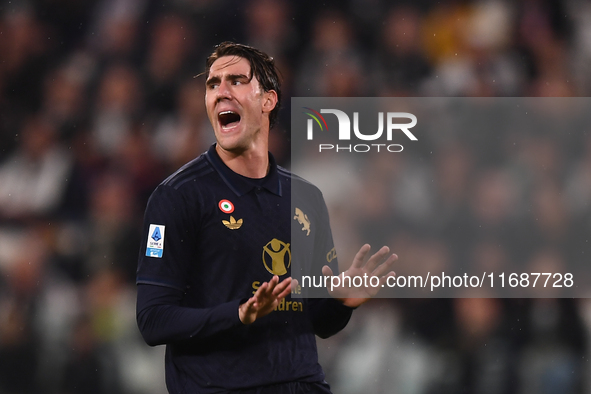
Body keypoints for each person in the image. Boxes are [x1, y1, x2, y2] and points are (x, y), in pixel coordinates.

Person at [136, 41, 397, 394]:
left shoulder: (306, 197)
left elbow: (318, 321)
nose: (221, 92)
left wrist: (339, 302)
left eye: (236, 81)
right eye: (213, 84)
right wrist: (238, 314)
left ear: (268, 101)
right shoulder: (177, 196)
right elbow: (153, 320)